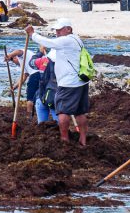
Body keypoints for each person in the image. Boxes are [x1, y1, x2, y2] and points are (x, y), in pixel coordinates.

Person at [26, 18, 90, 146]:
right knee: (79, 112)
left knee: (62, 112)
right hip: (80, 82)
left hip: (68, 83)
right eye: (56, 30)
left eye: (60, 29)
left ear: (68, 29)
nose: (57, 32)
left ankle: (64, 140)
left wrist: (33, 34)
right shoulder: (76, 39)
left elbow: (48, 43)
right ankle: (83, 139)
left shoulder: (66, 40)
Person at [6, 45, 47, 121]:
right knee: (40, 97)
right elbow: (24, 77)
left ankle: (29, 118)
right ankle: (36, 116)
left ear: (15, 57)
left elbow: (19, 51)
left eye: (12, 60)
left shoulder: (22, 55)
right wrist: (14, 87)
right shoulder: (24, 64)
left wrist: (9, 55)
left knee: (30, 98)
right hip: (43, 74)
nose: (14, 63)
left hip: (35, 74)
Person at [36, 50, 60, 124]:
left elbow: (31, 62)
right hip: (56, 100)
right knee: (59, 128)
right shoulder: (63, 65)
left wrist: (40, 51)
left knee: (41, 127)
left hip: (41, 97)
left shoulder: (43, 61)